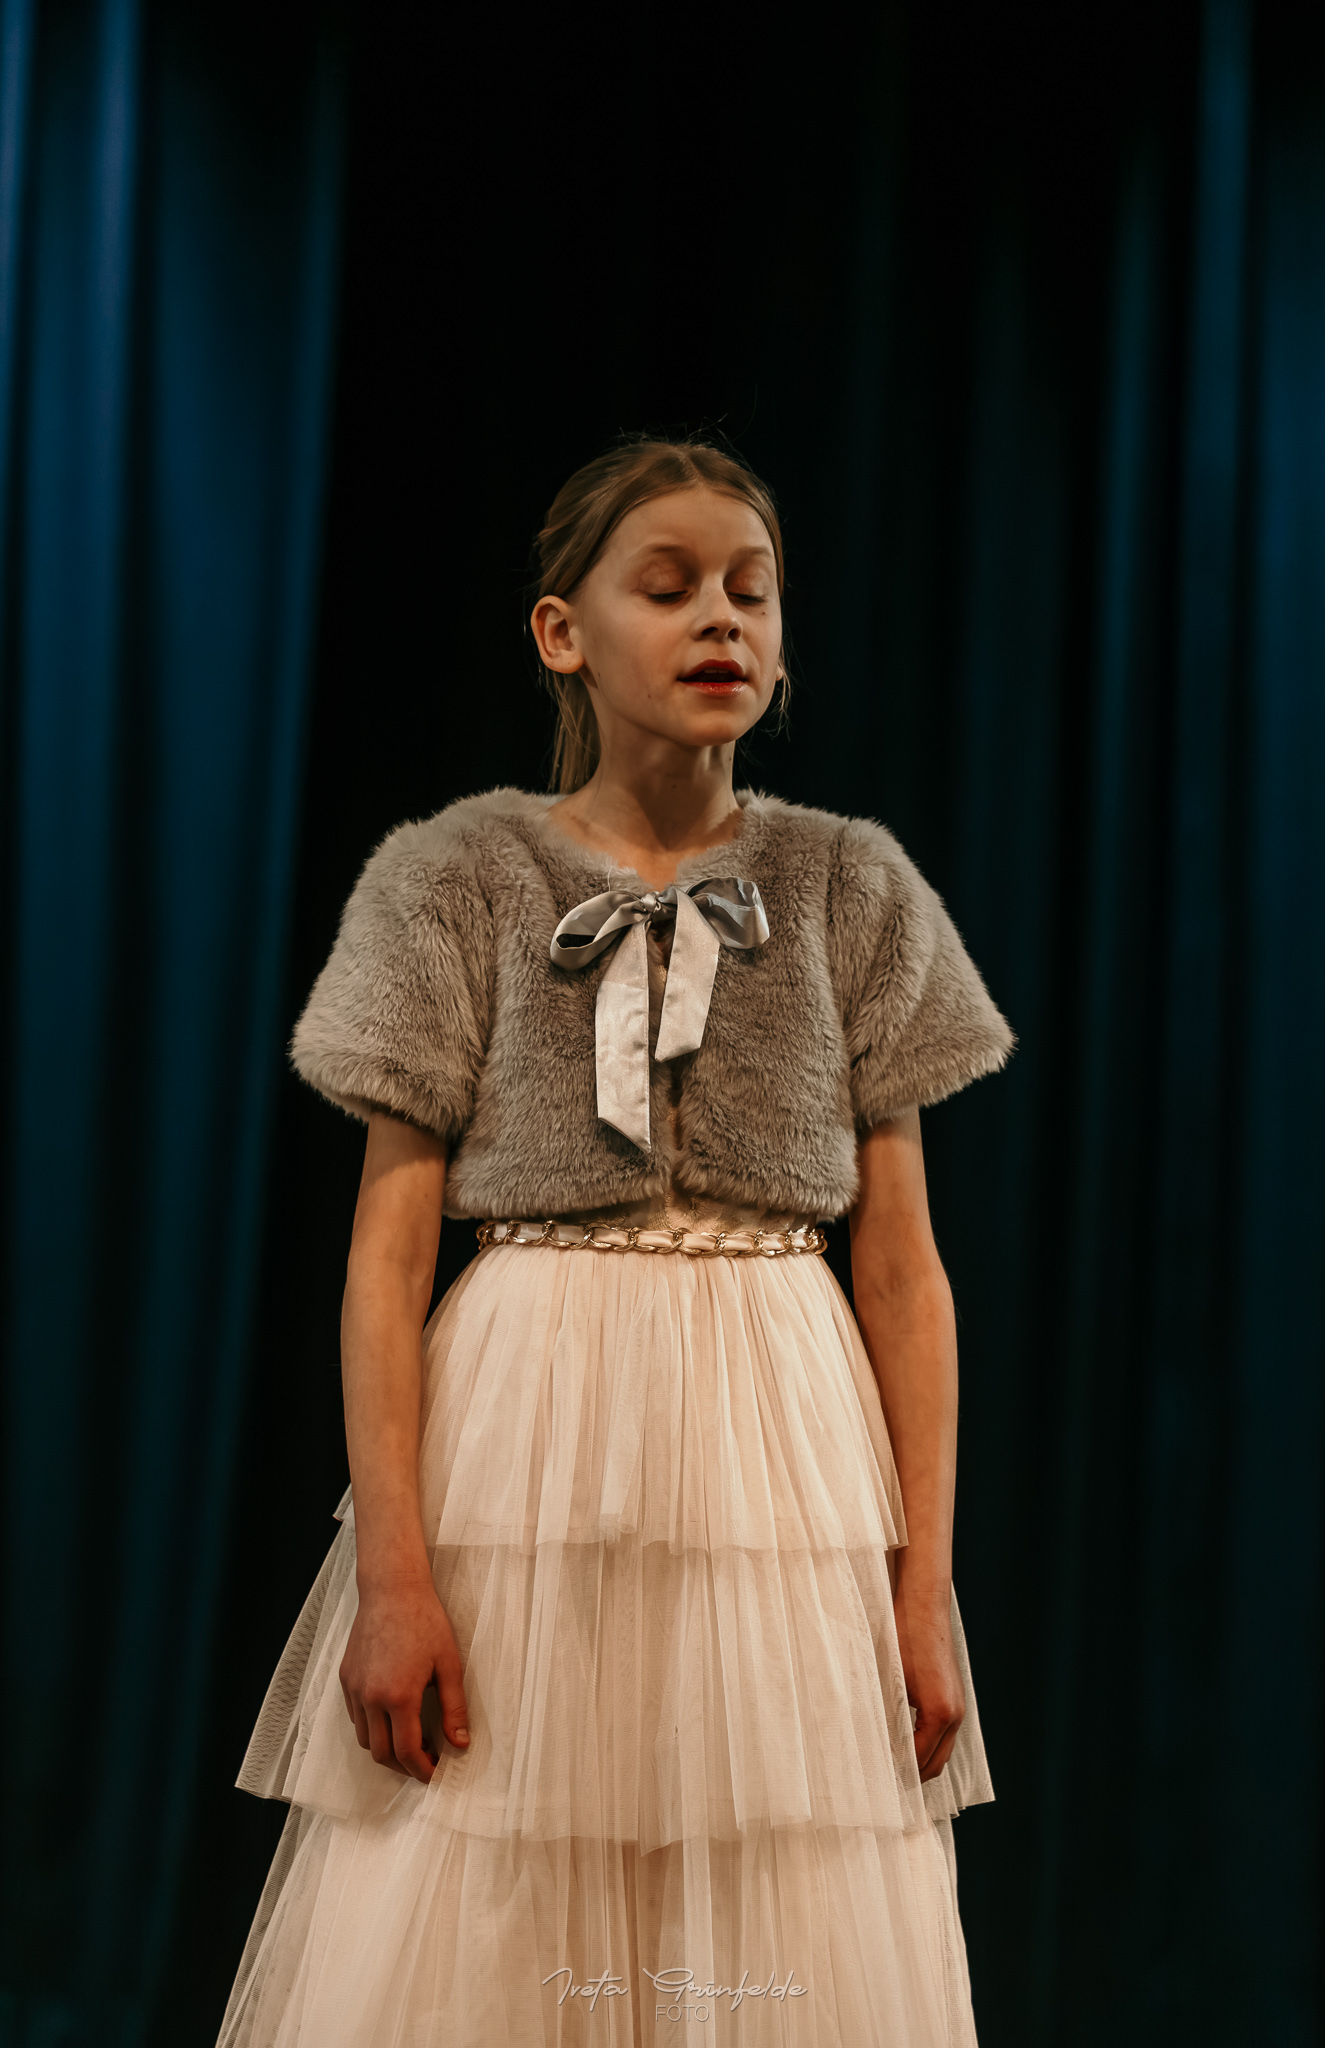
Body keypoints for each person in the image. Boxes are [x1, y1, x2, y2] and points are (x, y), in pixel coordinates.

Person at [217, 436, 1015, 2047]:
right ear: (561, 631)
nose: (720, 617)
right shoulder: (453, 878)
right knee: (494, 1864)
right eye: (668, 586)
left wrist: (922, 1588)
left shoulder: (848, 884)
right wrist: (394, 1578)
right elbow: (386, 1259)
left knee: (775, 1872)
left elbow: (901, 1269)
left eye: (750, 590)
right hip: (525, 1448)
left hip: (778, 1459)